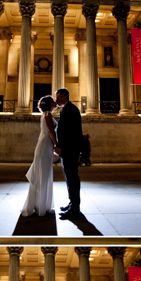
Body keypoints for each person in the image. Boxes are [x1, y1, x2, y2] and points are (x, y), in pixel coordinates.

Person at [21, 95, 59, 217]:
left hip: (44, 144)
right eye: (53, 100)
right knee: (43, 175)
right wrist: (56, 145)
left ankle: (39, 204)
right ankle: (41, 206)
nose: (55, 101)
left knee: (42, 175)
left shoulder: (46, 114)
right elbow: (51, 131)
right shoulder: (47, 114)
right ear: (49, 104)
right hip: (45, 145)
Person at [54, 88, 85, 218]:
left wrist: (60, 147)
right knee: (70, 178)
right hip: (69, 150)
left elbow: (69, 133)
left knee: (72, 178)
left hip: (69, 150)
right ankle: (72, 203)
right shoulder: (68, 109)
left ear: (64, 97)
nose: (56, 100)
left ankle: (75, 208)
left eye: (57, 97)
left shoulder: (70, 110)